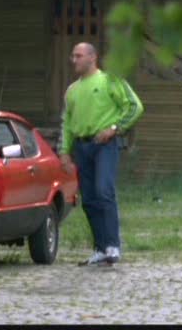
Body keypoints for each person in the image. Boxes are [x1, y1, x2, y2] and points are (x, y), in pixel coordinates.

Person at [58, 42, 144, 265]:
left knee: (104, 190)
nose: (74, 60)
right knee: (88, 198)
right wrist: (65, 152)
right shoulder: (72, 90)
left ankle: (113, 245)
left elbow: (134, 107)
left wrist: (115, 128)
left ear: (92, 58)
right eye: (72, 56)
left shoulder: (110, 81)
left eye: (78, 56)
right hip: (82, 145)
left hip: (105, 144)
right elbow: (67, 123)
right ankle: (100, 247)